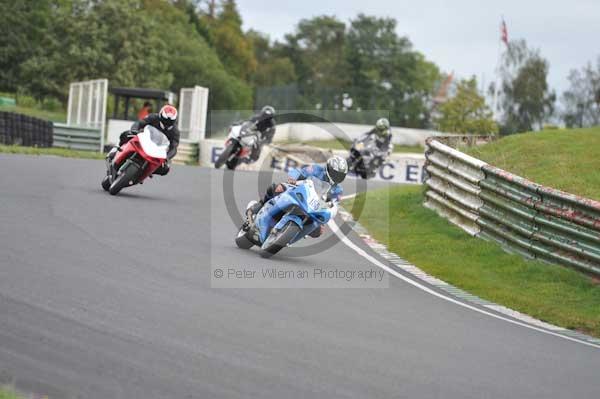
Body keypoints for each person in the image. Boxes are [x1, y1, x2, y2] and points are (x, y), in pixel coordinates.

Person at [245, 156, 348, 237]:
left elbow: (335, 204)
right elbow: (299, 172)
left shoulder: (338, 190)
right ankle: (258, 206)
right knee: (277, 188)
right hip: (299, 191)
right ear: (329, 168)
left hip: (314, 207)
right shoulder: (316, 169)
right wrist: (293, 178)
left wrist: (330, 211)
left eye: (340, 175)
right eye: (335, 173)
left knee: (318, 231)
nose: (337, 177)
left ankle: (291, 235)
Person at [109, 104, 180, 176]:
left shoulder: (175, 132)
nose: (167, 123)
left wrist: (167, 157)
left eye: (170, 121)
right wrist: (134, 131)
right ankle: (116, 151)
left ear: (174, 120)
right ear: (160, 116)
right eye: (165, 120)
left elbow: (174, 147)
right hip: (144, 140)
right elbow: (139, 123)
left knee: (165, 169)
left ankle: (146, 172)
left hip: (157, 150)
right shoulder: (153, 117)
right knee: (126, 134)